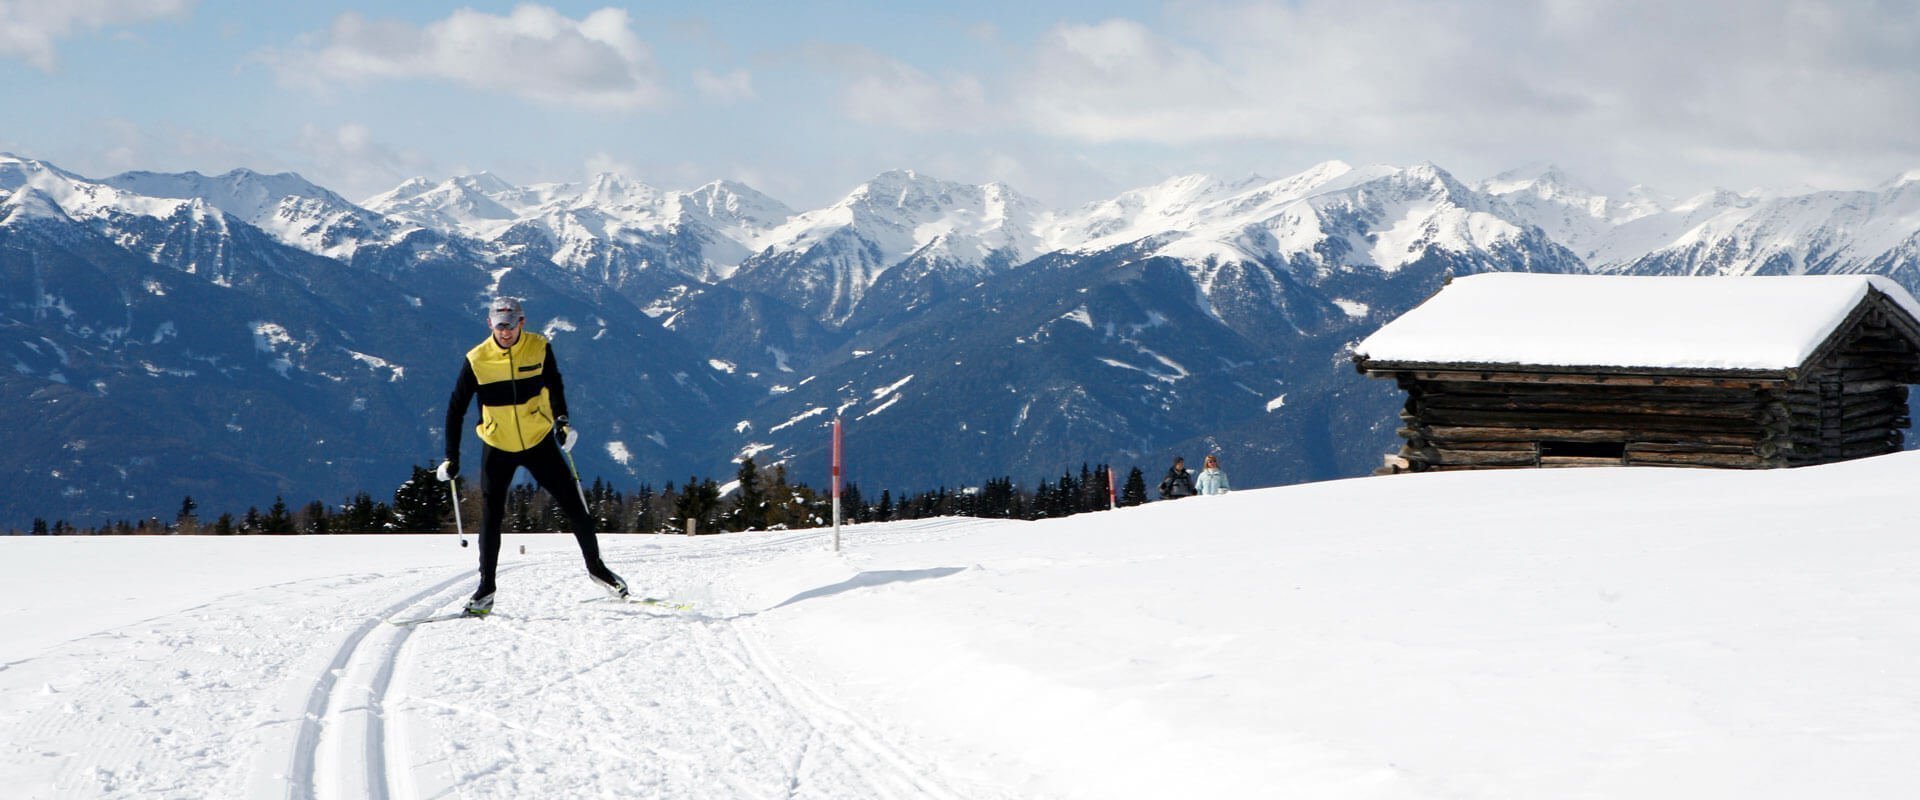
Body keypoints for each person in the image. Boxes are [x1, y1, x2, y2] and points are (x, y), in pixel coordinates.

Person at [437, 296, 627, 616]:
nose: (505, 332)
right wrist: (451, 457)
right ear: (489, 324)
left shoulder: (539, 348)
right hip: (497, 446)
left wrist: (562, 422)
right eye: (499, 326)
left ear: (521, 322)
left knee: (574, 506)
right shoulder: (477, 359)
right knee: (491, 517)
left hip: (539, 441)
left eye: (510, 326)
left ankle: (597, 569)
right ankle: (486, 588)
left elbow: (554, 385)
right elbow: (456, 409)